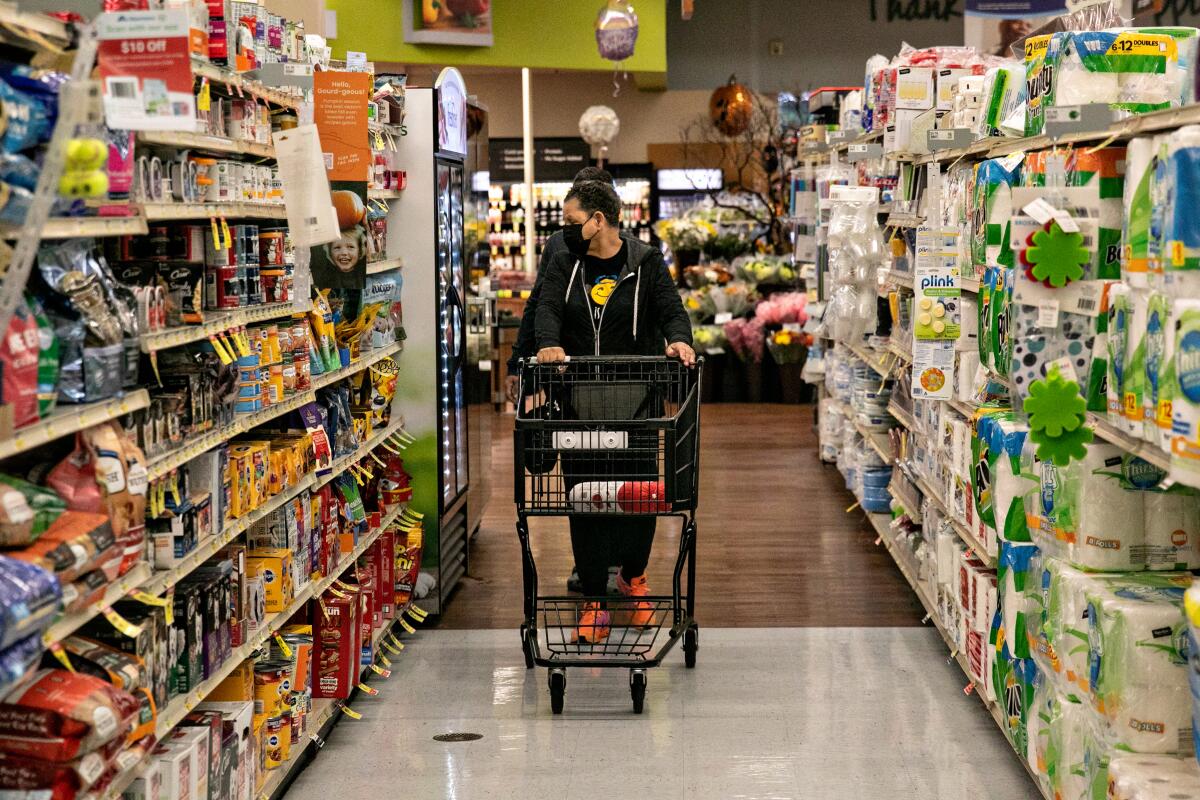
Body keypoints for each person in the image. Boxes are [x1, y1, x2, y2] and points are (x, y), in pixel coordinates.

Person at [534, 180, 695, 643]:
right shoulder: (565, 261)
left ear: (598, 220)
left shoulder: (645, 262)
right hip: (579, 403)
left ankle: (633, 575)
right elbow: (547, 308)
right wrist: (548, 344)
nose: (564, 230)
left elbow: (671, 310)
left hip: (636, 403)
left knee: (640, 493)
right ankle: (594, 600)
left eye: (571, 221)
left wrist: (679, 338)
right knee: (583, 497)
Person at [504, 166, 616, 404]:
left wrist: (517, 364)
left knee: (571, 436)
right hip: (591, 371)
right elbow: (540, 304)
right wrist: (517, 364)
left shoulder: (636, 252)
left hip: (572, 368)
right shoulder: (559, 245)